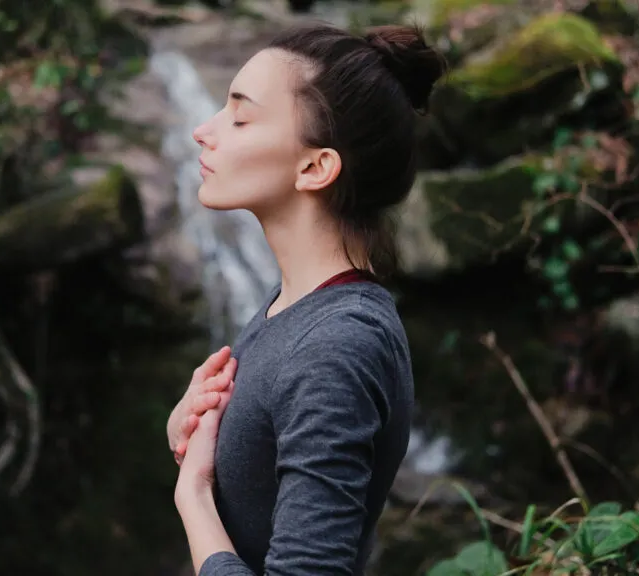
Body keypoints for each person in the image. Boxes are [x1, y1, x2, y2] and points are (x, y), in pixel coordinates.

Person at [165, 22, 445, 576]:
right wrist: (197, 440)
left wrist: (193, 497)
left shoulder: (335, 346)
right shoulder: (294, 304)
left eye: (240, 117)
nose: (203, 130)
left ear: (316, 167)